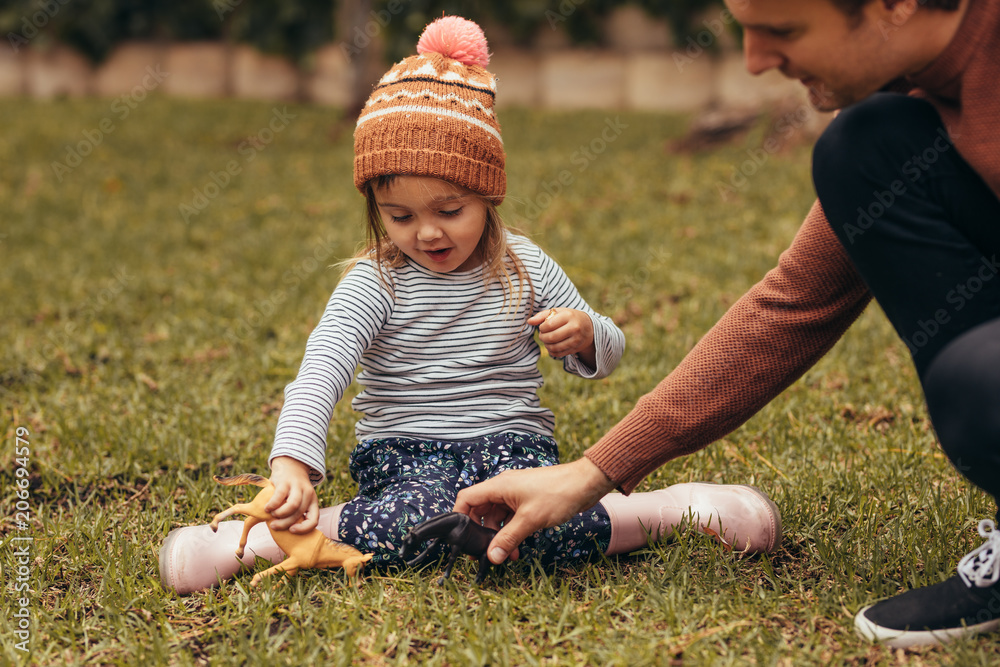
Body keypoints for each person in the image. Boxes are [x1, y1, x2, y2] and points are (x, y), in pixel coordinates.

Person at [158, 16, 782, 595]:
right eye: (400, 216)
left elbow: (609, 352)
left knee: (543, 525)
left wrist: (587, 333)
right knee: (415, 523)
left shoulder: (525, 266)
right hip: (407, 456)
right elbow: (322, 368)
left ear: (488, 196)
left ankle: (680, 509)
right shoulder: (376, 283)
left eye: (448, 211)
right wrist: (293, 463)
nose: (426, 233)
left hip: (514, 449)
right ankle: (257, 543)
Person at [455, 0, 1000, 649]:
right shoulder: (902, 113)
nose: (755, 61)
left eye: (783, 30)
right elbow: (794, 303)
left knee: (980, 382)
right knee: (863, 146)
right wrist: (591, 473)